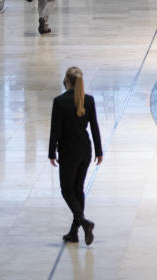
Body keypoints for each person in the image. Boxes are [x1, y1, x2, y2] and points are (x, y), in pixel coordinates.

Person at [49, 67, 103, 245]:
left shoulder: (60, 102)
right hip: (85, 151)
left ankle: (84, 222)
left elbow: (55, 130)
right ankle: (74, 232)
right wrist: (99, 151)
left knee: (66, 190)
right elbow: (94, 126)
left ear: (67, 81)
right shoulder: (88, 100)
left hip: (68, 152)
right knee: (78, 190)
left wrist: (51, 152)